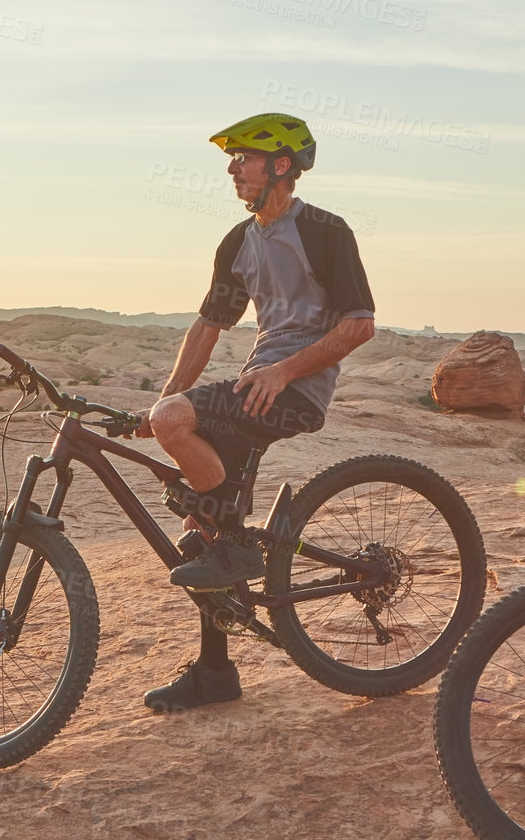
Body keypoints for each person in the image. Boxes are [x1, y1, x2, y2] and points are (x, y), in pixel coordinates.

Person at [135, 112, 376, 712]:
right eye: (234, 159)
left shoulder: (324, 230)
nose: (232, 168)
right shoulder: (238, 243)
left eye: (243, 157)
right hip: (257, 386)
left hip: (293, 389)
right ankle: (216, 673)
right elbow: (210, 325)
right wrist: (164, 398)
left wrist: (283, 370)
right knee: (201, 535)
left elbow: (360, 324)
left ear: (281, 165)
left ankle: (238, 545)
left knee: (186, 451)